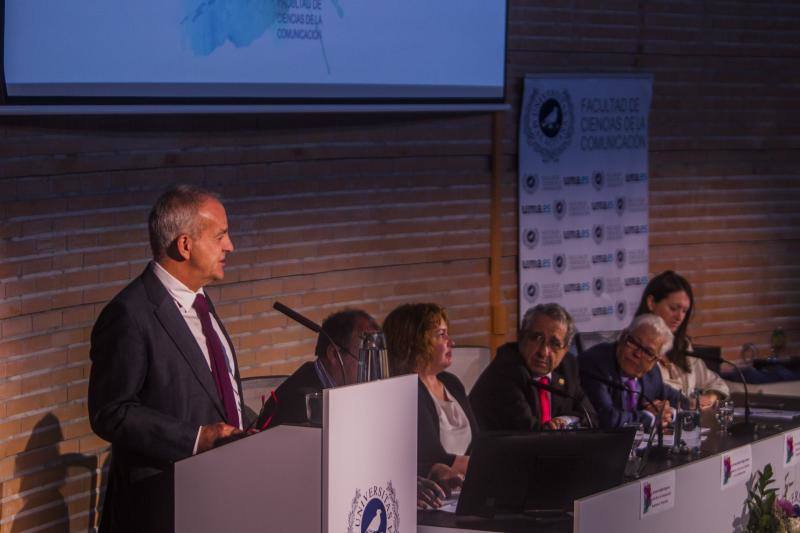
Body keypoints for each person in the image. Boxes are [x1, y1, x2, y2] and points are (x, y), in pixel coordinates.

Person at [88, 185, 246, 533]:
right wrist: (196, 438)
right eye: (220, 235)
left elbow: (214, 394)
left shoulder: (201, 303)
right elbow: (110, 412)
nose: (230, 246)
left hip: (218, 497)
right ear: (185, 244)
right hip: (161, 507)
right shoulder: (129, 314)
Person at [383, 303, 478, 481]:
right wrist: (486, 466)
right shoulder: (407, 390)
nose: (451, 342)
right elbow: (432, 457)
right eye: (441, 335)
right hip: (437, 495)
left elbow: (478, 443)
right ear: (416, 342)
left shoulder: (452, 383)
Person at [469, 303, 595, 431]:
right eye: (537, 338)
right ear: (521, 337)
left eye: (554, 344)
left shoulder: (568, 367)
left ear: (565, 350)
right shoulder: (506, 370)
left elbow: (591, 418)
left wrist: (565, 421)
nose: (543, 352)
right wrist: (556, 428)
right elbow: (528, 432)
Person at [255, 309, 379, 429]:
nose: (372, 368)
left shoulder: (338, 390)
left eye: (375, 358)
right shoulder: (301, 408)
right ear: (334, 354)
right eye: (365, 358)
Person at [635, 270, 729, 408]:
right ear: (651, 303)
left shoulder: (682, 345)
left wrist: (710, 397)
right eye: (673, 308)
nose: (679, 317)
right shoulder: (633, 349)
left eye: (685, 311)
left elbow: (716, 383)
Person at [579, 314, 682, 431]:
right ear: (623, 336)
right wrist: (650, 417)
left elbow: (682, 401)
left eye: (648, 352)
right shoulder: (595, 363)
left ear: (656, 360)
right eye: (634, 343)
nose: (637, 354)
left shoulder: (652, 373)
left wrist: (668, 413)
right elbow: (607, 418)